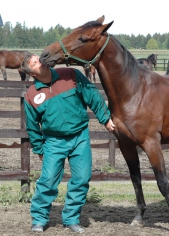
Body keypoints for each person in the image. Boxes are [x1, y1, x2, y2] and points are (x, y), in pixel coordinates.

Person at [21, 53, 115, 233]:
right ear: (32, 73)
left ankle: (71, 219)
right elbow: (32, 126)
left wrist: (105, 119)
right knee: (48, 180)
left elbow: (92, 95)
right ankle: (39, 219)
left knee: (82, 178)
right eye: (35, 62)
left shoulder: (70, 74)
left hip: (79, 137)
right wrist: (39, 149)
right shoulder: (32, 95)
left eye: (38, 58)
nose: (40, 61)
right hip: (53, 141)